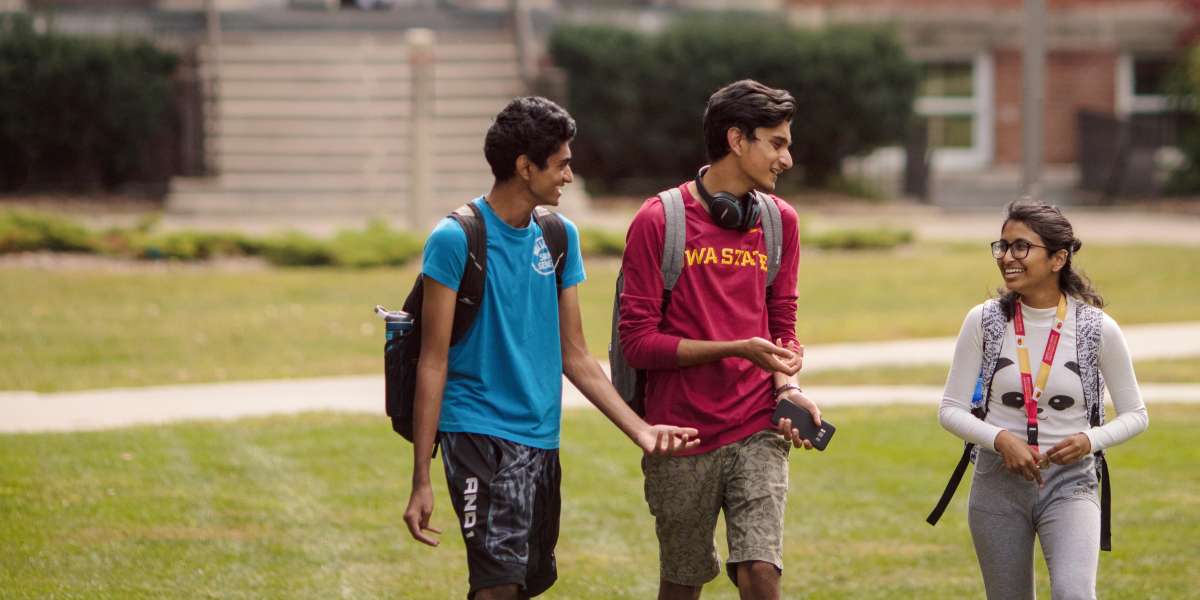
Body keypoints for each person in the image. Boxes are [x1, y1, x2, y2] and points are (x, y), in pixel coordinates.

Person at [402, 96, 700, 600]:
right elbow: (433, 361)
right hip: (475, 431)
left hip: (541, 438)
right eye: (561, 163)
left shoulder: (560, 237)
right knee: (497, 586)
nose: (568, 174)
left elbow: (576, 355)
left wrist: (642, 431)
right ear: (525, 167)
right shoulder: (455, 239)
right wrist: (421, 478)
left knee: (524, 586)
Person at [617, 79, 821, 600]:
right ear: (736, 139)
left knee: (760, 573)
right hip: (678, 436)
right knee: (682, 584)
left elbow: (782, 324)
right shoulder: (659, 219)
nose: (787, 158)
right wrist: (736, 347)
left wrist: (787, 386)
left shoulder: (780, 223)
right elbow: (638, 343)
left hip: (758, 426)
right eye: (776, 143)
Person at [938, 200, 1149, 599]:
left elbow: (1136, 414)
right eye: (1002, 246)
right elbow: (950, 410)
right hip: (997, 482)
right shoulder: (983, 321)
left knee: (1074, 593)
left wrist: (1090, 440)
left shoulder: (1097, 328)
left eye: (1021, 247)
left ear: (1058, 259)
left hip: (1071, 482)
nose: (1006, 257)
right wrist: (1000, 439)